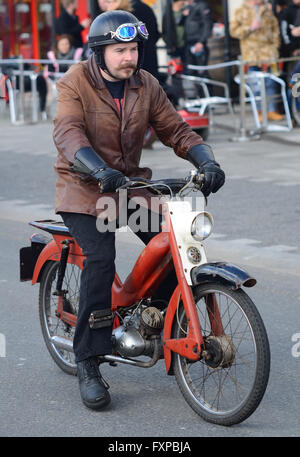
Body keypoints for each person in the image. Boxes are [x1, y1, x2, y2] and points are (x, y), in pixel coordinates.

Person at [53, 10, 225, 411]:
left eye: (132, 49)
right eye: (119, 50)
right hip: (83, 188)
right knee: (100, 258)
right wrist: (97, 168)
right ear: (99, 52)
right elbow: (67, 132)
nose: (128, 58)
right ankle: (88, 362)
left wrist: (206, 161)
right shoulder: (74, 81)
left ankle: (151, 318)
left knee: (173, 245)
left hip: (132, 187)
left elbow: (175, 130)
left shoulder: (145, 84)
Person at [230, 0, 284, 121]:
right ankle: (258, 111)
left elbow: (275, 29)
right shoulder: (241, 11)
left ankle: (271, 110)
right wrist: (250, 28)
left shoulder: (267, 10)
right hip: (251, 55)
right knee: (255, 85)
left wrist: (275, 47)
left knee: (271, 82)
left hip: (268, 54)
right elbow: (233, 31)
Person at [105, 0, 160, 78]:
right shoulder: (146, 8)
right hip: (148, 59)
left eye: (110, 2)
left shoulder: (120, 16)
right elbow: (156, 34)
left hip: (131, 65)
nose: (108, 5)